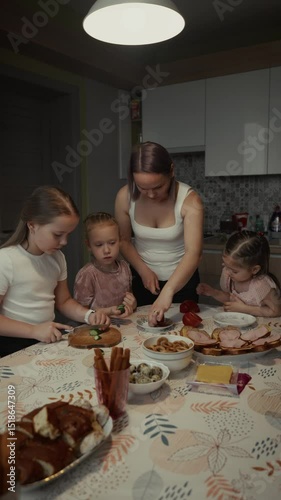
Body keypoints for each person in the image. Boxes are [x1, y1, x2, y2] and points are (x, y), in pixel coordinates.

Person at [0, 186, 111, 357]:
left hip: (45, 342)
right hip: (12, 347)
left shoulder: (57, 258)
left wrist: (88, 315)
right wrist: (34, 330)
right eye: (58, 234)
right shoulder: (6, 260)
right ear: (32, 225)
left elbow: (64, 301)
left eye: (68, 235)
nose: (64, 241)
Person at [115, 141, 204, 326]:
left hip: (183, 282)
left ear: (171, 171)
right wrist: (143, 270)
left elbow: (193, 253)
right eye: (142, 188)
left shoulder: (190, 200)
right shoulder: (124, 197)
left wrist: (168, 291)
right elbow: (123, 241)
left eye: (157, 187)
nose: (151, 195)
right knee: (142, 333)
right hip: (143, 280)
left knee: (182, 337)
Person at [197, 230, 281, 317]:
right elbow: (231, 298)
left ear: (254, 269)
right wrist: (213, 292)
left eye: (234, 271)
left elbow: (276, 311)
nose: (228, 272)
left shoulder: (261, 285)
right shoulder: (230, 276)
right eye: (225, 266)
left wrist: (244, 309)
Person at [74, 212, 137, 317]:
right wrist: (108, 311)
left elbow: (129, 299)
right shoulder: (87, 275)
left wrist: (133, 304)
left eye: (112, 243)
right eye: (99, 245)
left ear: (119, 241)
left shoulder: (125, 268)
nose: (107, 250)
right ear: (89, 245)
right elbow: (80, 313)